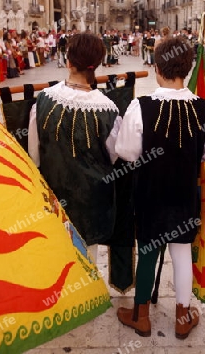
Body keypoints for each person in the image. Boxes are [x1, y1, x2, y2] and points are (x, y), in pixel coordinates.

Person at [115, 36, 205, 339]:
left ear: (156, 67)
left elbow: (126, 151)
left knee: (147, 249)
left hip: (150, 194)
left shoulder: (140, 106)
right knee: (182, 252)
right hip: (184, 194)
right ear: (188, 67)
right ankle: (182, 317)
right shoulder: (203, 108)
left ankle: (141, 315)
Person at [28, 33, 121, 263]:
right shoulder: (109, 109)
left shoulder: (43, 100)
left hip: (55, 196)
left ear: (68, 62)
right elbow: (113, 154)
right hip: (93, 200)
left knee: (57, 262)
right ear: (97, 64)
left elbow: (33, 154)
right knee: (89, 262)